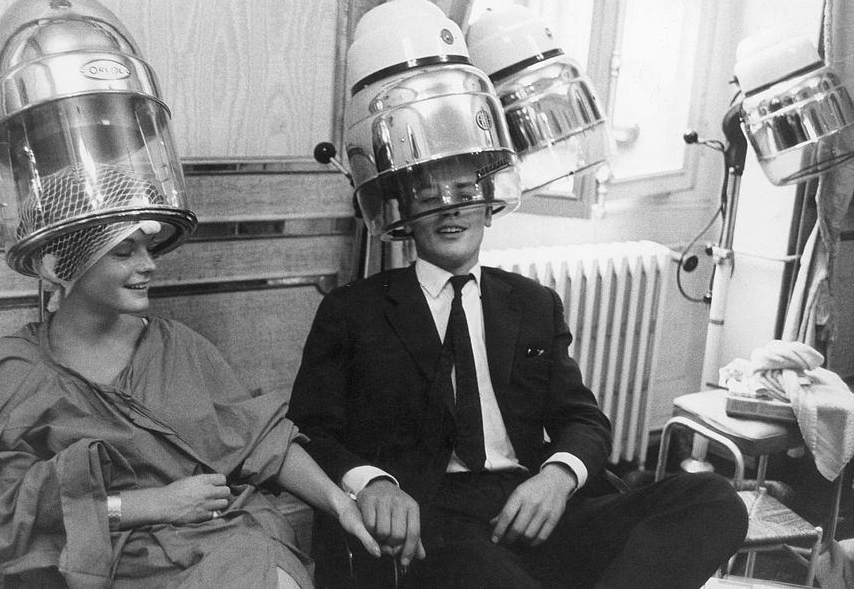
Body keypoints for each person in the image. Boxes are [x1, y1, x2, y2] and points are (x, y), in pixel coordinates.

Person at [287, 157, 750, 588]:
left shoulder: (533, 302)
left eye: (466, 194)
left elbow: (583, 420)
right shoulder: (352, 310)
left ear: (489, 208)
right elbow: (308, 430)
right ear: (405, 215)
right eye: (430, 200)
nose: (451, 211)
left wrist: (556, 479)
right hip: (432, 524)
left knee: (713, 499)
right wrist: (373, 482)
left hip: (533, 505)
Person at [0, 171, 381, 588]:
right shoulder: (19, 372)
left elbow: (263, 441)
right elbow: (2, 512)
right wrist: (154, 504)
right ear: (63, 262)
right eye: (124, 252)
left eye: (148, 248)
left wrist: (339, 501)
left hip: (225, 538)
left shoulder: (179, 346)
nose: (149, 264)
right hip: (107, 564)